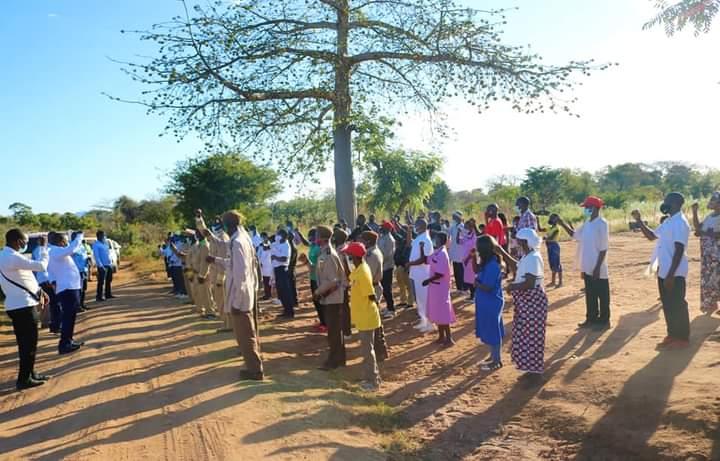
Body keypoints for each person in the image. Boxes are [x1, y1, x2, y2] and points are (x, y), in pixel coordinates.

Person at [200, 210, 264, 381]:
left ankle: (255, 370)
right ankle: (254, 365)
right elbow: (236, 265)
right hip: (247, 291)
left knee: (245, 334)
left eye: (224, 225)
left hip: (241, 295)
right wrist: (217, 260)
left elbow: (241, 274)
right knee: (248, 333)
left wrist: (236, 301)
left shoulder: (237, 242)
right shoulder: (243, 238)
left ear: (229, 225)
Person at [632, 193, 691, 349]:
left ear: (677, 203)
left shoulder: (680, 222)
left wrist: (671, 274)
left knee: (677, 304)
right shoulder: (669, 221)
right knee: (667, 304)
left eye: (667, 201)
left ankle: (683, 338)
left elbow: (679, 250)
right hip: (664, 270)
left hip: (675, 272)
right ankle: (672, 334)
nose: (664, 204)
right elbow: (652, 236)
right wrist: (639, 221)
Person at [0, 229, 52, 390]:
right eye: (24, 241)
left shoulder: (5, 256)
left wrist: (40, 291)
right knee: (28, 344)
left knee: (27, 343)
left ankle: (30, 373)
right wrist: (43, 249)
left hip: (18, 304)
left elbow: (24, 277)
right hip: (23, 306)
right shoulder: (12, 257)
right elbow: (41, 266)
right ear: (17, 241)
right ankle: (24, 379)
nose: (26, 244)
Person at [558, 196, 610, 329]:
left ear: (594, 208)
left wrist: (597, 267)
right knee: (590, 294)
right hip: (587, 265)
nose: (585, 210)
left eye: (587, 207)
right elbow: (575, 235)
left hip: (598, 266)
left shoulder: (602, 224)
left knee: (602, 295)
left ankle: (604, 321)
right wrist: (561, 223)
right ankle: (591, 318)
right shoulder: (587, 223)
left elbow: (604, 248)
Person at [506, 228, 548, 384]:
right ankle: (531, 370)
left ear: (524, 241)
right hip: (528, 302)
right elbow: (518, 268)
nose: (516, 242)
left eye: (518, 240)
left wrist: (513, 287)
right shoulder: (528, 256)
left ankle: (536, 374)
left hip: (532, 302)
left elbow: (530, 283)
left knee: (533, 337)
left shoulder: (533, 258)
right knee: (526, 336)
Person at [343, 242, 382, 391]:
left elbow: (371, 295)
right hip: (363, 317)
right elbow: (350, 276)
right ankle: (373, 377)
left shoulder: (363, 272)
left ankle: (372, 382)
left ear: (355, 256)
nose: (348, 256)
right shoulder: (359, 269)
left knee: (368, 352)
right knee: (367, 351)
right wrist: (344, 262)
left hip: (367, 317)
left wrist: (373, 309)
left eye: (349, 255)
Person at [313, 225, 348, 370]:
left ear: (321, 238)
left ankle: (335, 360)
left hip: (333, 298)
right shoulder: (324, 254)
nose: (314, 238)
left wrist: (318, 292)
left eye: (316, 235)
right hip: (329, 297)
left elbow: (333, 280)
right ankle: (338, 358)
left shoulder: (329, 255)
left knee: (334, 331)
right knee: (333, 330)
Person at [48, 231, 86, 354]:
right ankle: (64, 344)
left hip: (68, 288)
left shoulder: (56, 252)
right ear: (60, 242)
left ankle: (68, 340)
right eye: (65, 241)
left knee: (70, 316)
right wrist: (79, 237)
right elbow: (72, 248)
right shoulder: (55, 251)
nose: (67, 243)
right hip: (67, 289)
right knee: (68, 317)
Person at [473, 235, 505, 371]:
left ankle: (496, 361)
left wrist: (477, 284)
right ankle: (493, 357)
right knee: (491, 329)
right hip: (487, 301)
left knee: (493, 331)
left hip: (491, 302)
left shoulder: (492, 265)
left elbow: (488, 286)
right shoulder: (488, 262)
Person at [423, 232, 456, 347]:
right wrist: (422, 249)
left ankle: (449, 338)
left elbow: (440, 273)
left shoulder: (442, 254)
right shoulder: (436, 253)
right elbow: (426, 260)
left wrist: (428, 280)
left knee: (443, 313)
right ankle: (441, 336)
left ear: (441, 240)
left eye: (436, 239)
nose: (434, 240)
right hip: (435, 288)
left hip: (440, 288)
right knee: (437, 312)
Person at [362, 231, 389, 361]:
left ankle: (380, 351)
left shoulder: (372, 255)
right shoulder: (372, 253)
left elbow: (369, 276)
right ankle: (381, 350)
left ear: (368, 241)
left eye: (363, 240)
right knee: (375, 321)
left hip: (372, 288)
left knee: (375, 322)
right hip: (373, 287)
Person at [691, 192, 720, 315]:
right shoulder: (710, 216)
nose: (710, 202)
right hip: (707, 254)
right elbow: (698, 228)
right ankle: (711, 303)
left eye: (713, 200)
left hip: (716, 253)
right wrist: (695, 212)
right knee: (708, 279)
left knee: (717, 278)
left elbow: (716, 234)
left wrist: (705, 233)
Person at [408, 219, 434, 333]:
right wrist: (408, 232)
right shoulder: (419, 237)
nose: (415, 227)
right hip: (416, 273)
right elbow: (409, 243)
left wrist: (410, 263)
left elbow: (425, 259)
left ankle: (429, 323)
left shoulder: (426, 240)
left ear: (422, 226)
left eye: (416, 225)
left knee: (424, 298)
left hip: (423, 274)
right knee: (419, 299)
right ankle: (423, 321)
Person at [207, 223, 231, 332]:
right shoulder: (218, 237)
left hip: (221, 274)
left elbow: (223, 260)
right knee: (219, 299)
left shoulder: (223, 238)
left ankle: (228, 324)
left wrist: (220, 279)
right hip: (216, 273)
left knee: (222, 300)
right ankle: (225, 322)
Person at [33, 235, 58, 331]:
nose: (44, 241)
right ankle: (49, 322)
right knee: (50, 301)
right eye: (43, 240)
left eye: (45, 239)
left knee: (44, 301)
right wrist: (47, 279)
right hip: (46, 280)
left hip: (41, 280)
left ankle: (45, 322)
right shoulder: (42, 250)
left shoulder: (38, 250)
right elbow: (42, 266)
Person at [333, 228, 353, 339]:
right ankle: (345, 329)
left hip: (342, 284)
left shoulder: (342, 251)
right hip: (341, 283)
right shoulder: (342, 248)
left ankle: (347, 331)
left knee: (344, 308)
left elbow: (346, 269)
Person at [193, 230, 216, 319]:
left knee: (207, 294)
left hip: (204, 274)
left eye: (198, 234)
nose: (196, 235)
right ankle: (207, 311)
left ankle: (211, 312)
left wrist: (202, 275)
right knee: (203, 294)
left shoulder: (205, 246)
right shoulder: (200, 245)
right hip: (199, 273)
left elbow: (205, 262)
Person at [271, 228, 294, 318]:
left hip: (282, 269)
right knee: (281, 291)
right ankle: (286, 310)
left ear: (282, 236)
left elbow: (284, 259)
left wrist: (275, 257)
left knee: (285, 291)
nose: (276, 236)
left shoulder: (286, 245)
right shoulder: (278, 244)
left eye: (278, 234)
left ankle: (290, 311)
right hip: (277, 269)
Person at [392, 223, 414, 309]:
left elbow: (396, 234)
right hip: (399, 266)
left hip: (406, 267)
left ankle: (410, 302)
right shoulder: (401, 241)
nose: (400, 232)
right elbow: (395, 234)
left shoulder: (408, 242)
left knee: (408, 285)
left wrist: (408, 230)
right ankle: (403, 300)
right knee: (401, 284)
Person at [378, 222, 396, 319]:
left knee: (387, 289)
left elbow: (387, 255)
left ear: (387, 229)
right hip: (382, 267)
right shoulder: (382, 237)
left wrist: (378, 260)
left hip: (387, 267)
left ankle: (391, 309)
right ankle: (389, 307)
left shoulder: (389, 239)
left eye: (383, 227)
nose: (381, 228)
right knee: (384, 289)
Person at [70, 231, 90, 311]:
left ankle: (82, 304)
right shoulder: (71, 246)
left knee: (83, 289)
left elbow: (84, 255)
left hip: (84, 269)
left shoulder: (81, 245)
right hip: (77, 271)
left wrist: (88, 259)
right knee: (78, 289)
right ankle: (77, 306)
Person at [92, 231, 114, 302]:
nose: (104, 237)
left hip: (108, 264)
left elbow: (108, 254)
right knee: (101, 282)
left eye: (105, 235)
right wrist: (100, 266)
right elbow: (96, 256)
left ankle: (108, 294)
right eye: (103, 235)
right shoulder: (96, 245)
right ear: (99, 236)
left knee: (109, 280)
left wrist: (111, 263)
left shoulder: (105, 244)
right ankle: (99, 296)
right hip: (102, 265)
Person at [448, 211, 466, 294]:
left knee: (461, 270)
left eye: (454, 217)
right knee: (456, 270)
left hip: (460, 252)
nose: (453, 218)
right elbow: (448, 234)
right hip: (454, 252)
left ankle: (462, 287)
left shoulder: (463, 227)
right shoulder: (453, 226)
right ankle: (459, 288)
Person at [462, 218, 479, 300]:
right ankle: (472, 295)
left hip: (471, 259)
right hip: (465, 258)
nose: (464, 228)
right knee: (468, 278)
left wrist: (468, 258)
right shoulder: (467, 235)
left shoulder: (474, 235)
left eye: (466, 226)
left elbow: (474, 249)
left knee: (472, 278)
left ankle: (473, 296)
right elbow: (461, 242)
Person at [544, 214, 563, 288]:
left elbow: (551, 237)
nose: (550, 219)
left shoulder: (557, 228)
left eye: (552, 218)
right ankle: (553, 281)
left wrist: (544, 238)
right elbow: (543, 231)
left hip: (554, 246)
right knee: (552, 264)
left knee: (557, 264)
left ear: (556, 220)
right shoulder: (550, 228)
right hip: (550, 246)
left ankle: (560, 282)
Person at [257, 234, 274, 301]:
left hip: (270, 266)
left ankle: (269, 295)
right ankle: (267, 294)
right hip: (263, 266)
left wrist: (264, 246)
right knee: (265, 281)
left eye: (264, 237)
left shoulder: (271, 245)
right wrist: (259, 262)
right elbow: (258, 255)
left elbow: (267, 247)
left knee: (270, 281)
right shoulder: (261, 245)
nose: (264, 239)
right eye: (262, 238)